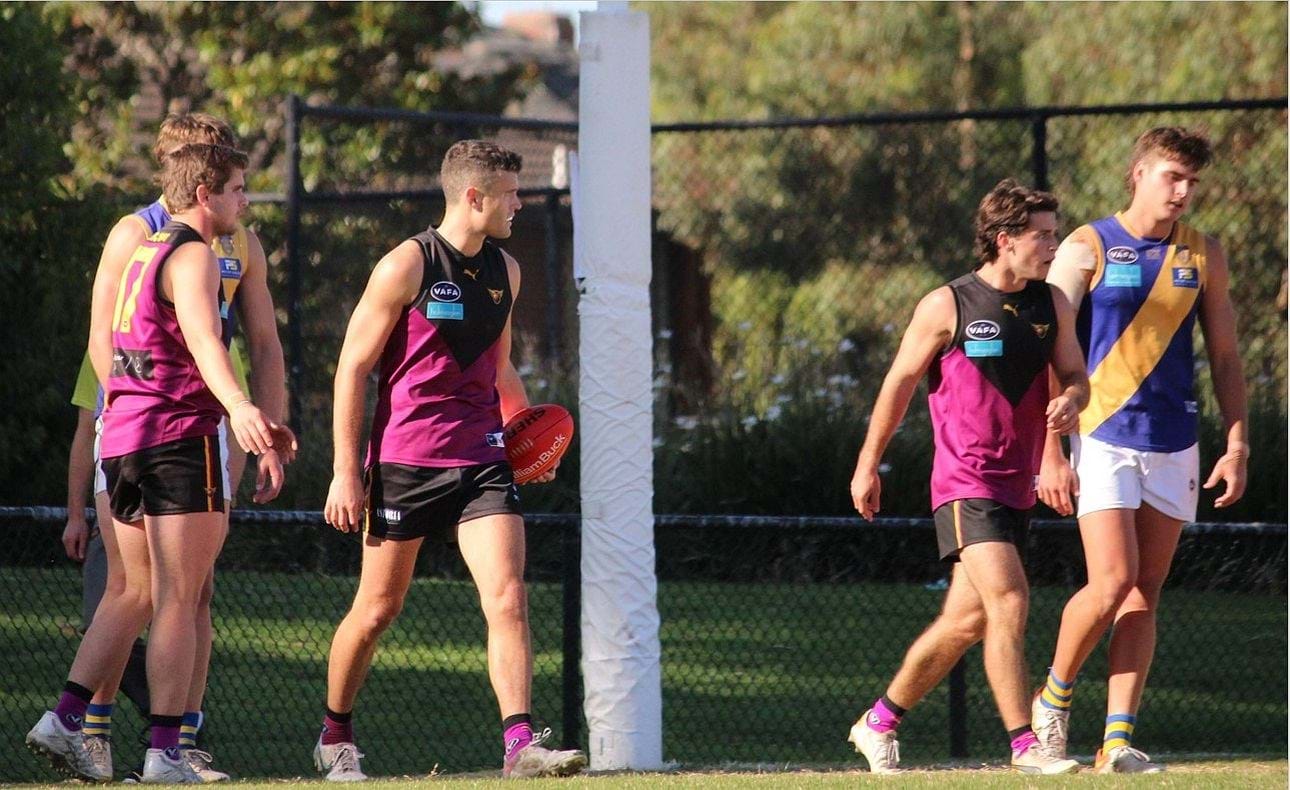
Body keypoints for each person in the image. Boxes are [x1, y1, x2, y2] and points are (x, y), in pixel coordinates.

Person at [315, 140, 586, 781]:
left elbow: (498, 364)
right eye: (511, 194)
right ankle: (335, 735)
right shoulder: (403, 267)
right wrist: (345, 470)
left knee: (509, 596)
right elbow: (352, 368)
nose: (520, 204)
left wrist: (525, 439)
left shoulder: (507, 272)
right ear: (475, 197)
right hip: (405, 461)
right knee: (378, 610)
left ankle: (519, 745)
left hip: (481, 459)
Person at [26, 142, 296, 784]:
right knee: (179, 595)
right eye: (236, 189)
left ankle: (64, 717)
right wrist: (241, 408)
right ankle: (166, 752)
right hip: (177, 437)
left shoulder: (141, 250)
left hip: (119, 437)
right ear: (204, 194)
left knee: (131, 591)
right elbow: (206, 340)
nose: (244, 201)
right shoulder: (195, 254)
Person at [847, 179, 1088, 775]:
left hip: (1017, 483)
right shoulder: (947, 304)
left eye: (1055, 234)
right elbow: (899, 384)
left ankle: (877, 722)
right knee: (1010, 599)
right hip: (964, 482)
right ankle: (1026, 747)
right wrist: (866, 463)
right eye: (1043, 236)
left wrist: (1073, 401)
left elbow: (1075, 374)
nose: (1053, 246)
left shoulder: (1050, 304)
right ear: (1005, 240)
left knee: (966, 622)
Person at [1032, 127, 1248, 774]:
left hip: (1175, 439)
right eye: (1171, 177)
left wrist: (1236, 444)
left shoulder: (1203, 254)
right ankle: (1051, 705)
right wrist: (1048, 449)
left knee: (1144, 591)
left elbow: (1228, 356)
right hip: (1100, 433)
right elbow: (1051, 337)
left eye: (1191, 182)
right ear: (1138, 174)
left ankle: (1116, 740)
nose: (1182, 192)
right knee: (1112, 581)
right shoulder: (1086, 246)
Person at [62, 355, 151, 744]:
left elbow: (230, 427)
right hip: (121, 483)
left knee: (181, 608)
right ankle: (88, 729)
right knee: (117, 605)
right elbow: (87, 430)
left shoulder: (213, 325)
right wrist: (76, 515)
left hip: (187, 492)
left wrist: (223, 495)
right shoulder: (106, 342)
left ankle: (180, 737)